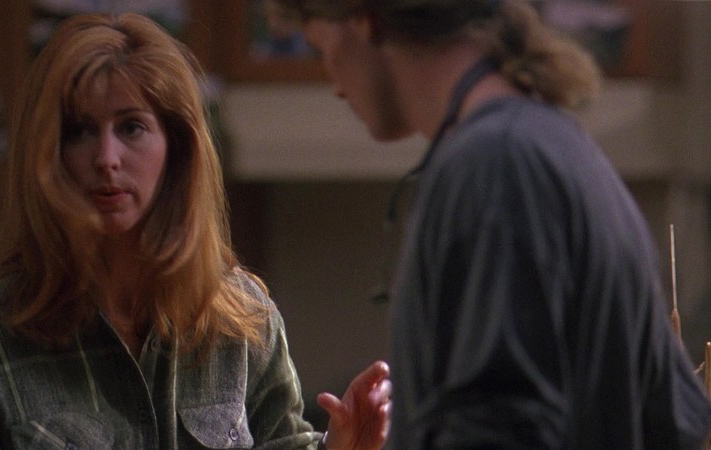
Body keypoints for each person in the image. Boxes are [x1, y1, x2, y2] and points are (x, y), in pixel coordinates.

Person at [0, 13, 391, 449]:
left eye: (132, 128)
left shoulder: (242, 321)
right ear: (49, 153)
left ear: (176, 149)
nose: (106, 158)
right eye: (79, 131)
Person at [272, 0, 711, 448]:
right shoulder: (559, 149)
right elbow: (678, 418)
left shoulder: (496, 168)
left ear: (364, 24)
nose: (335, 85)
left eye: (321, 48)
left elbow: (498, 431)